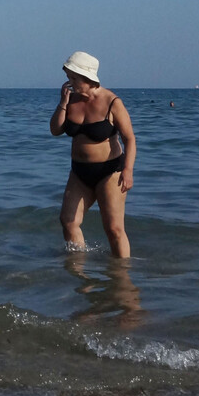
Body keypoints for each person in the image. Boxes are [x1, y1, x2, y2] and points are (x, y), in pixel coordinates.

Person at [51, 52, 136, 259]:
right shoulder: (71, 100)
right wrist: (63, 102)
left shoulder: (112, 102)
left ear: (87, 77)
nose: (69, 83)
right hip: (79, 172)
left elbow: (129, 139)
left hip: (110, 171)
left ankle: (121, 272)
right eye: (68, 77)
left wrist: (128, 170)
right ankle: (78, 267)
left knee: (114, 229)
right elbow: (55, 130)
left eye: (74, 78)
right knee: (68, 221)